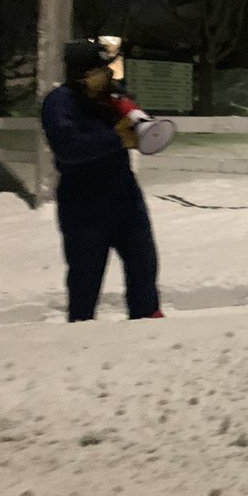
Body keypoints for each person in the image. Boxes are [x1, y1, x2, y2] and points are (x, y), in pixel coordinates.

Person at [41, 39, 163, 321]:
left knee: (144, 267)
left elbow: (140, 125)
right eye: (97, 69)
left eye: (105, 68)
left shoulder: (115, 97)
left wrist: (143, 128)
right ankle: (82, 332)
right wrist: (117, 138)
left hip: (125, 199)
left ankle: (148, 324)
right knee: (85, 278)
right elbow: (68, 148)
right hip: (83, 206)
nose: (105, 74)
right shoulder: (59, 103)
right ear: (79, 73)